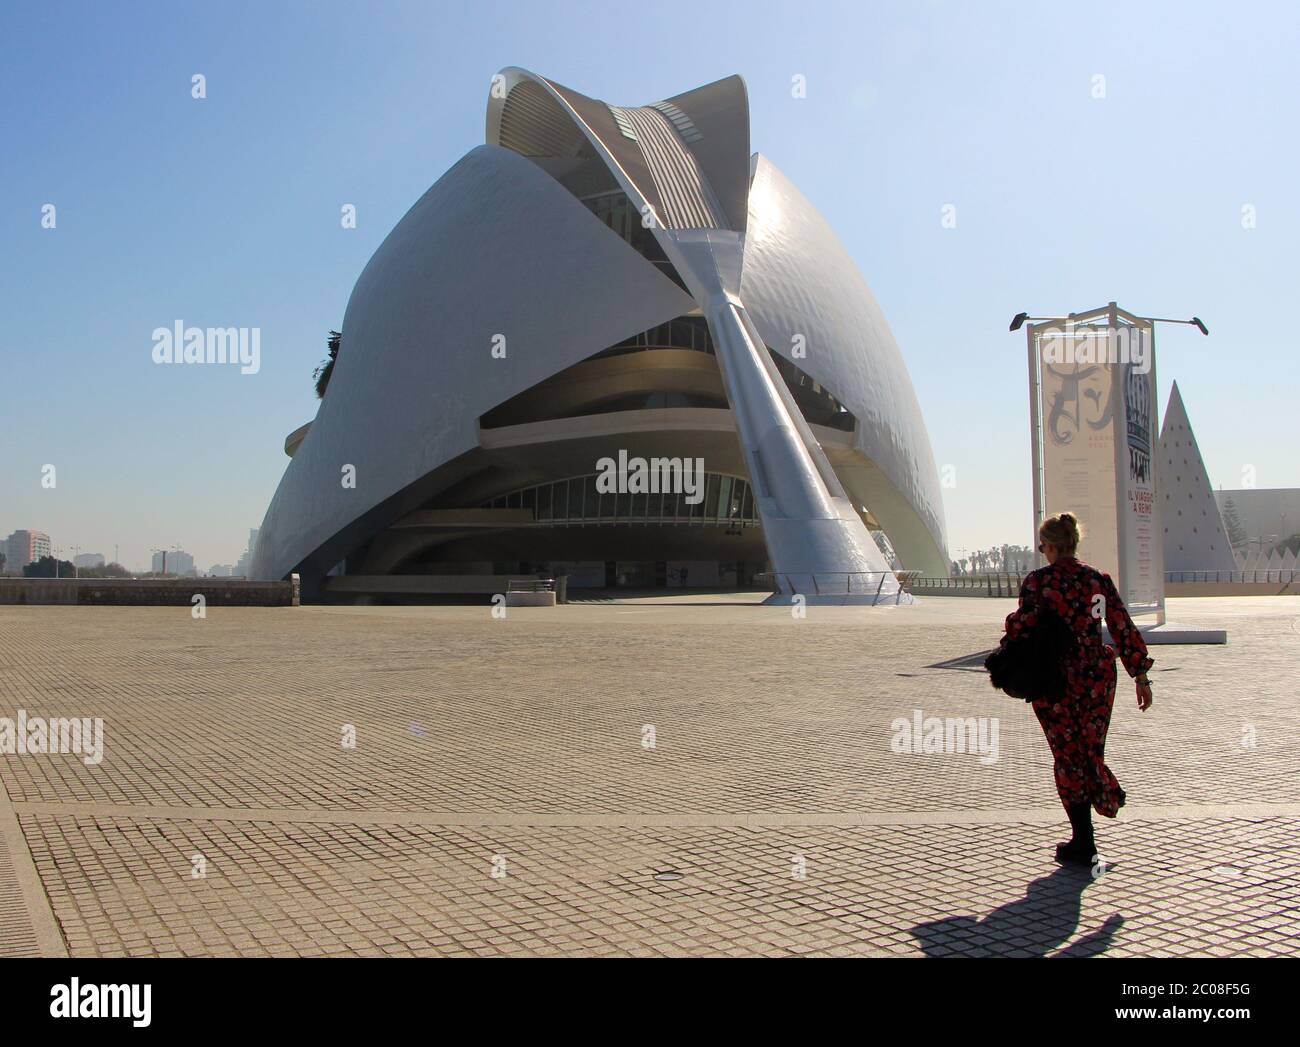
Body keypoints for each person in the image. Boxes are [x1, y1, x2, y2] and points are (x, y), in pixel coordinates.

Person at [998, 512, 1154, 866]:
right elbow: (1120, 625)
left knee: (1068, 754)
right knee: (1090, 746)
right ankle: (1102, 792)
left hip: (1056, 676)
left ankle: (1084, 840)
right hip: (1098, 673)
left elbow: (1020, 624)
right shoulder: (1097, 580)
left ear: (1051, 546)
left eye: (1043, 546)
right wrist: (1140, 675)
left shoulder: (1039, 582)